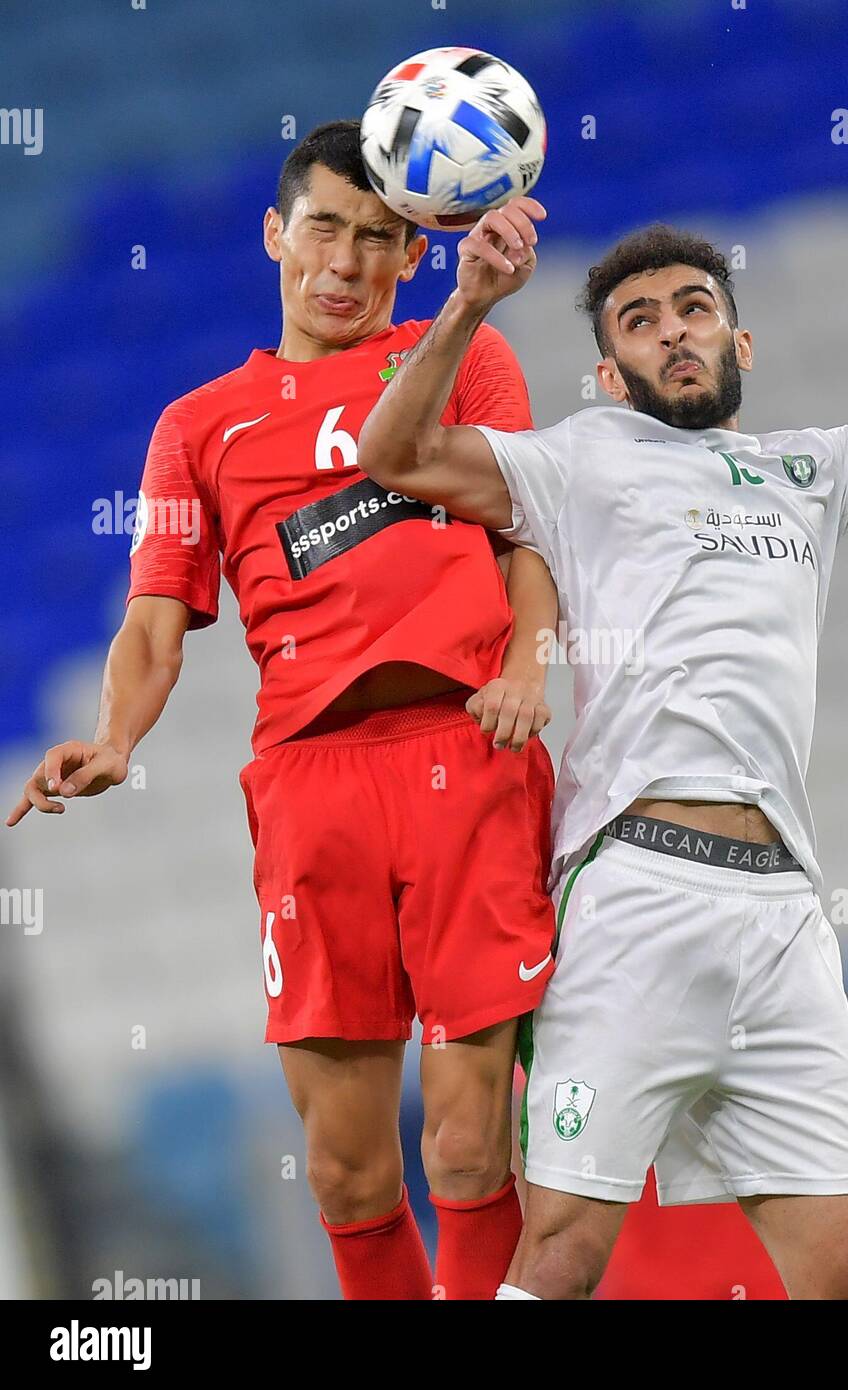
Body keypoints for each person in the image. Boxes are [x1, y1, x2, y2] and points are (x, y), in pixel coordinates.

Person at [354, 105, 848, 1299]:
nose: (672, 333)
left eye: (693, 309)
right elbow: (395, 453)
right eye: (638, 321)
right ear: (605, 368)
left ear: (743, 341)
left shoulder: (808, 469)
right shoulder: (578, 460)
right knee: (565, 1254)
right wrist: (470, 302)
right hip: (633, 890)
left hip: (782, 907)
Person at [7, 120, 561, 1301]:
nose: (347, 262)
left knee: (469, 1144)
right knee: (347, 1173)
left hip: (466, 756)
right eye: (324, 227)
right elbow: (155, 619)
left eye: (378, 237)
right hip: (314, 794)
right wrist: (116, 737)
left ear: (415, 254)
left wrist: (526, 663)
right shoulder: (197, 428)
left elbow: (534, 536)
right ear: (275, 232)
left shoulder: (469, 361)